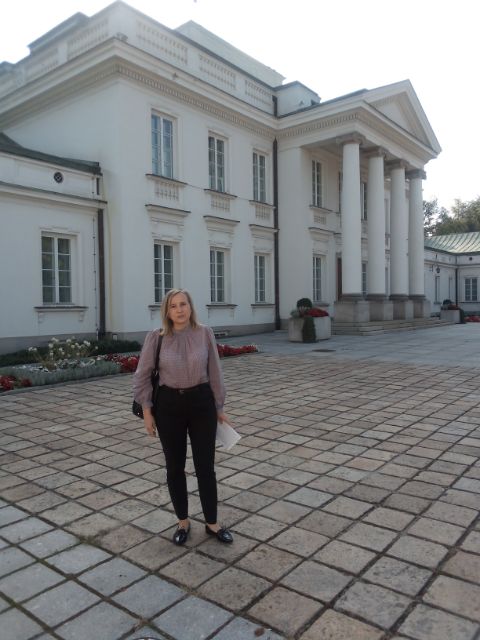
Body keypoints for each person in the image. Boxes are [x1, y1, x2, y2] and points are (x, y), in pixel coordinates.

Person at [133, 288, 233, 545]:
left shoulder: (205, 333)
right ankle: (183, 522)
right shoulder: (156, 337)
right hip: (169, 407)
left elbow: (215, 371)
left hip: (202, 404)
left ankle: (212, 523)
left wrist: (219, 407)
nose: (179, 310)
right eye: (173, 306)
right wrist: (147, 412)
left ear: (190, 307)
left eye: (183, 304)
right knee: (175, 467)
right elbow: (142, 375)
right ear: (167, 311)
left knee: (205, 466)